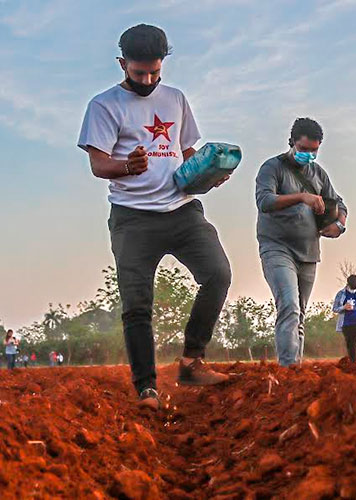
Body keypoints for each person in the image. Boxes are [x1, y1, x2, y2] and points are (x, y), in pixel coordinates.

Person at [78, 24, 232, 409]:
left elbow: (187, 150)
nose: (148, 80)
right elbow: (98, 164)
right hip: (132, 218)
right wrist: (125, 166)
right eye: (139, 72)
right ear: (122, 64)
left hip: (182, 210)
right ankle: (146, 389)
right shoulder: (104, 105)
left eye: (155, 72)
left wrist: (208, 172)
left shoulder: (176, 99)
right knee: (137, 305)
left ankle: (192, 362)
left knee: (218, 273)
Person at [256, 117, 348, 366]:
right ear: (292, 142)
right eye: (304, 149)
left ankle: (295, 368)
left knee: (300, 314)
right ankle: (288, 368)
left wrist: (339, 225)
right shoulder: (272, 168)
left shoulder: (318, 174)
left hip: (308, 251)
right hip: (276, 247)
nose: (309, 154)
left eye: (314, 150)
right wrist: (301, 197)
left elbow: (340, 204)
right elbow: (264, 201)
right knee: (289, 305)